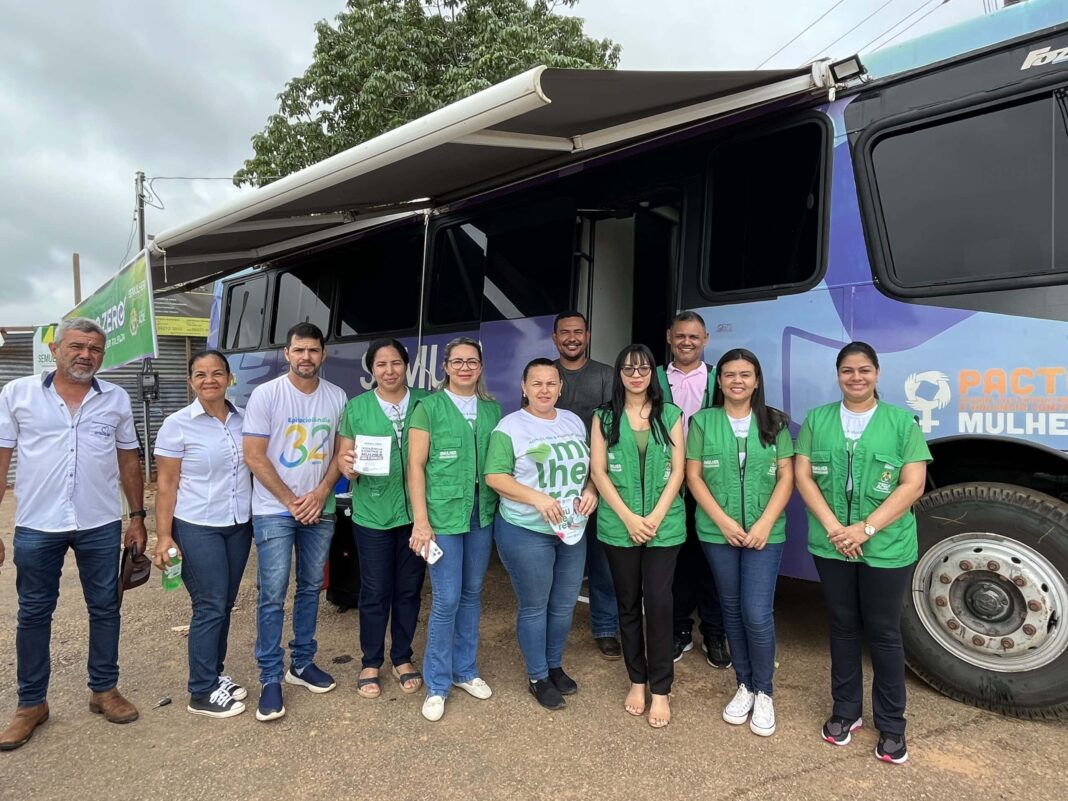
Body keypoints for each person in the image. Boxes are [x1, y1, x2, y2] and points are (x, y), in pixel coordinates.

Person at [0, 318, 145, 750]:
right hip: (36, 524)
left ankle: (104, 689)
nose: (86, 355)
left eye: (95, 349)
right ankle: (31, 704)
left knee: (105, 606)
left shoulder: (115, 398)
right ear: (56, 347)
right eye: (77, 346)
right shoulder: (17, 394)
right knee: (33, 612)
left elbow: (129, 460)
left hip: (98, 522)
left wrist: (137, 517)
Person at [794, 341, 930, 765]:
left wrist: (866, 529)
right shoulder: (818, 420)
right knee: (842, 625)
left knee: (885, 633)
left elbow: (913, 484)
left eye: (864, 370)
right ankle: (845, 712)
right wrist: (837, 529)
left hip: (886, 545)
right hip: (832, 544)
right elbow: (803, 477)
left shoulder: (901, 422)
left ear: (877, 373)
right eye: (848, 371)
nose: (856, 378)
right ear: (838, 375)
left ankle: (892, 726)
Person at [686, 349, 794, 737]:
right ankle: (744, 686)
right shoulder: (702, 421)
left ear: (757, 380)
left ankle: (765, 691)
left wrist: (764, 523)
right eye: (729, 374)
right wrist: (724, 522)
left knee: (756, 612)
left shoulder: (775, 422)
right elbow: (693, 476)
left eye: (745, 374)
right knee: (730, 610)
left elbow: (786, 477)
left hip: (766, 533)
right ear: (719, 382)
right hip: (719, 533)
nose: (736, 381)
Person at [243, 322, 347, 722]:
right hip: (273, 510)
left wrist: (321, 494)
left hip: (319, 507)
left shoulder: (336, 396)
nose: (306, 357)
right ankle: (270, 677)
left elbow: (341, 452)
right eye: (299, 350)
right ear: (287, 354)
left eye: (313, 351)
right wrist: (290, 500)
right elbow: (254, 455)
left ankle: (301, 663)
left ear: (323, 355)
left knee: (309, 588)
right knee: (272, 593)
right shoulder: (267, 394)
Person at [485, 358, 598, 710]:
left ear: (561, 387)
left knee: (563, 606)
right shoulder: (510, 427)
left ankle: (553, 665)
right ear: (523, 387)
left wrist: (592, 489)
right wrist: (537, 498)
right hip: (526, 530)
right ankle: (537, 676)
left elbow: (592, 467)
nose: (544, 390)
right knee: (535, 606)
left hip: (571, 530)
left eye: (551, 383)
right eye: (537, 383)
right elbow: (495, 477)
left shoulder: (573, 421)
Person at [590, 344, 686, 728]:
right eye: (628, 368)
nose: (636, 374)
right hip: (619, 525)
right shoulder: (604, 416)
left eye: (643, 367)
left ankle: (661, 690)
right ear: (619, 373)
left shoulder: (671, 414)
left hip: (665, 526)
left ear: (653, 374)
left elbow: (678, 471)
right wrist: (630, 518)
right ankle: (637, 680)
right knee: (627, 604)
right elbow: (599, 472)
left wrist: (655, 516)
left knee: (660, 605)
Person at [153, 349, 252, 718]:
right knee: (209, 604)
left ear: (229, 378)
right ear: (190, 381)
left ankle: (215, 674)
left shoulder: (244, 419)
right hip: (197, 526)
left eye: (217, 373)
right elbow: (166, 484)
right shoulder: (177, 424)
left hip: (238, 525)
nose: (209, 380)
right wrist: (164, 537)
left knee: (224, 603)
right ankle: (201, 690)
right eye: (200, 374)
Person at [408, 337, 502, 722]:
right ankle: (438, 683)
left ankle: (466, 670)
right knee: (446, 599)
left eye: (472, 361)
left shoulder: (493, 409)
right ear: (444, 366)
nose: (465, 367)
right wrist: (421, 520)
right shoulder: (427, 408)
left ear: (480, 367)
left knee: (472, 593)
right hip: (443, 515)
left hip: (482, 514)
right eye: (458, 361)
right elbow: (415, 467)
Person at [336, 339, 428, 699]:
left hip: (418, 515)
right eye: (380, 365)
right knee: (374, 591)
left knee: (409, 589)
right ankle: (370, 660)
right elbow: (345, 458)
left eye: (395, 363)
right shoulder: (357, 407)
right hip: (373, 515)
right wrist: (349, 468)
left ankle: (402, 657)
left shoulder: (426, 402)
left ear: (407, 365)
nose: (389, 371)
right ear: (371, 370)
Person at [656, 310, 729, 668]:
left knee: (712, 560)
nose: (687, 342)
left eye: (694, 336)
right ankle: (679, 629)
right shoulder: (654, 378)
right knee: (677, 560)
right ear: (670, 337)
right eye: (680, 335)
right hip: (668, 485)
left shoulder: (720, 379)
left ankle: (715, 631)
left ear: (705, 340)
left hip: (709, 484)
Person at [551, 310, 620, 660]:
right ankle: (551, 629)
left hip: (599, 483)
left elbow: (612, 432)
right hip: (554, 487)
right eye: (565, 333)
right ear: (555, 338)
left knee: (602, 560)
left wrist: (594, 484)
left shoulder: (607, 376)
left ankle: (606, 627)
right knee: (557, 560)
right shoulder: (545, 375)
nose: (572, 338)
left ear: (588, 336)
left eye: (578, 332)